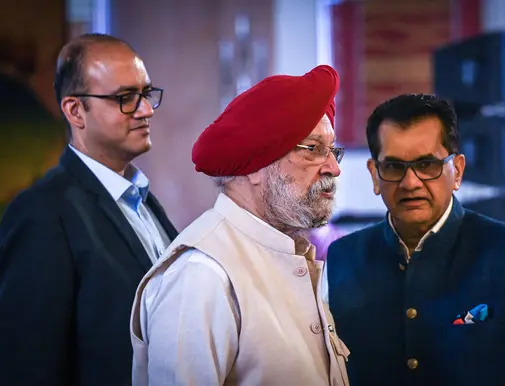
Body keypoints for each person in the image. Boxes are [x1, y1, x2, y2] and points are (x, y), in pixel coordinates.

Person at [323, 93, 505, 385]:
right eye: (394, 167)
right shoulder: (338, 262)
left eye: (427, 165)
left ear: (457, 170)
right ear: (375, 174)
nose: (411, 183)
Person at [130, 65, 350, 386]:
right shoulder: (201, 275)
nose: (332, 167)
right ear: (256, 167)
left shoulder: (288, 252)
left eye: (333, 151)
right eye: (313, 149)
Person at [0, 33, 178, 386]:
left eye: (146, 94)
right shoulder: (42, 213)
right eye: (125, 98)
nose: (146, 110)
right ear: (75, 110)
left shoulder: (142, 200)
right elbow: (25, 367)